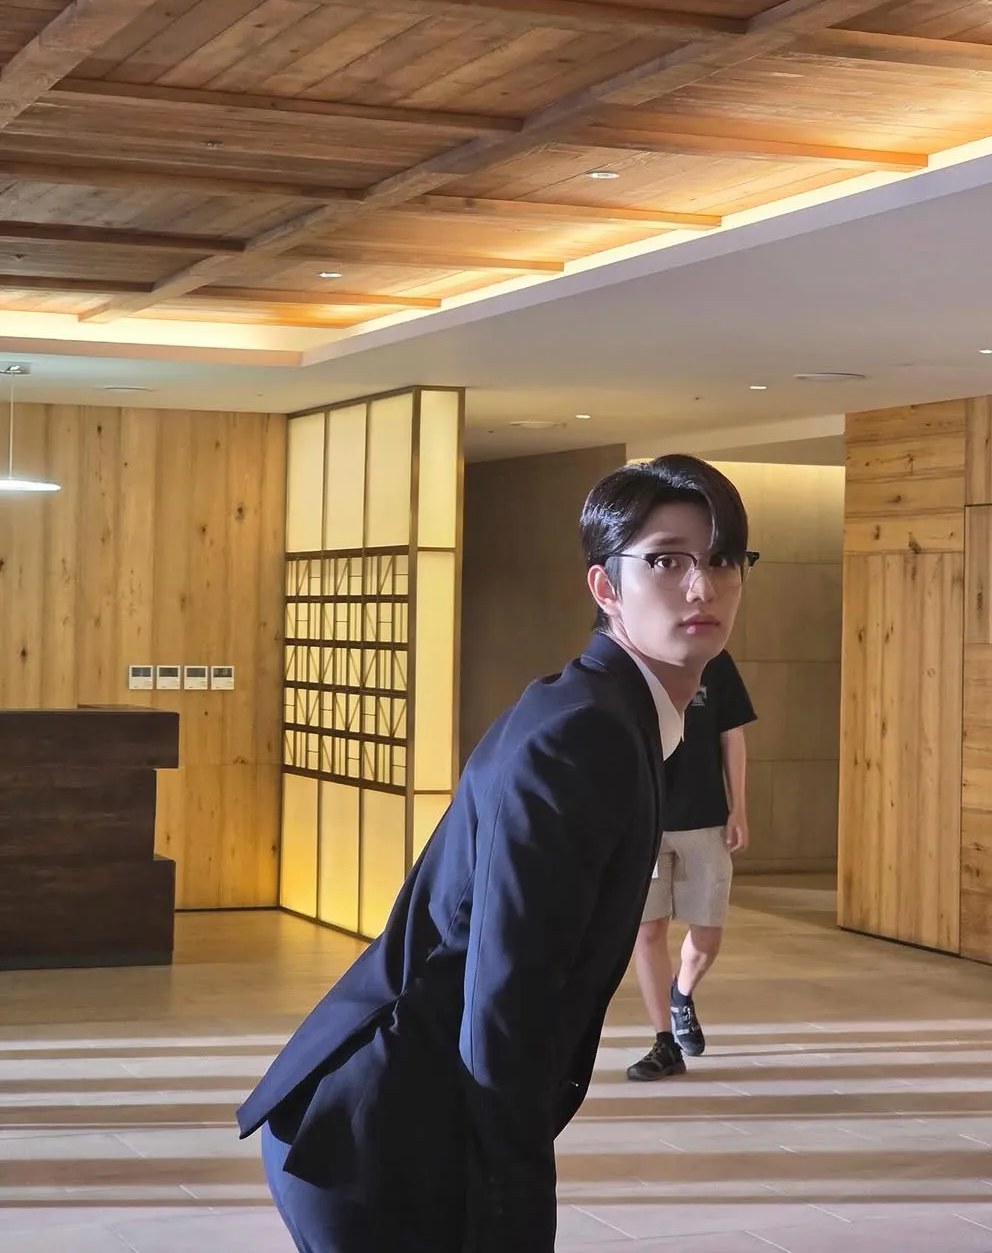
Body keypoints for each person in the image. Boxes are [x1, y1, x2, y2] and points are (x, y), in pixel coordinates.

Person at [236, 454, 749, 1253]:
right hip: (384, 1133)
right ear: (605, 587)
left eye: (720, 560)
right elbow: (509, 991)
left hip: (407, 1119)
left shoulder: (615, 712)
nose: (700, 587)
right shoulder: (585, 732)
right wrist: (514, 1211)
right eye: (665, 561)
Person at [626, 644, 757, 1082]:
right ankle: (664, 1042)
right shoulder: (628, 658)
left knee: (707, 932)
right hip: (645, 820)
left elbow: (732, 734)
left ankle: (681, 994)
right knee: (647, 930)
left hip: (704, 819)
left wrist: (739, 807)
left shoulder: (713, 659)